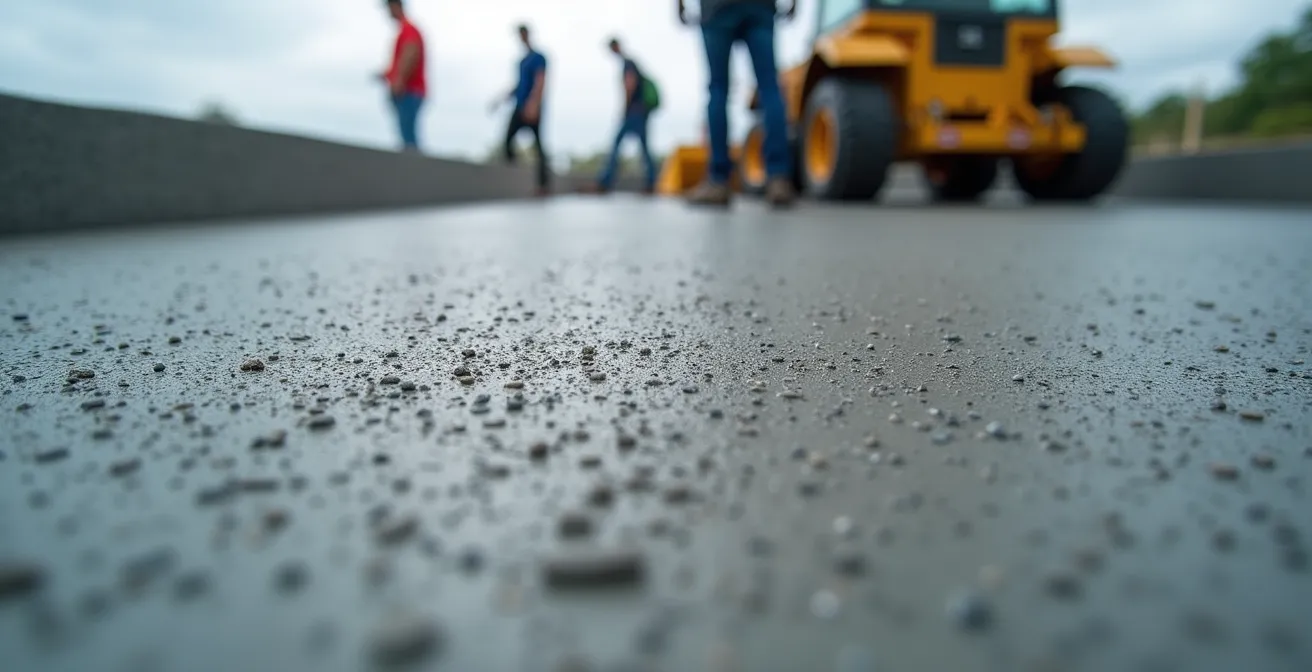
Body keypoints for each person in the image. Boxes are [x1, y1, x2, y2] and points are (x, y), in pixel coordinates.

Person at [679, 0, 796, 208]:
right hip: (760, 7)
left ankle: (718, 180)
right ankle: (778, 178)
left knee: (718, 88)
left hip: (717, 8)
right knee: (770, 87)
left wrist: (679, 5)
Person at [591, 38, 658, 195]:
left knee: (616, 144)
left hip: (634, 112)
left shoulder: (628, 64)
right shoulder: (632, 63)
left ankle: (605, 181)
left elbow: (630, 85)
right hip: (641, 111)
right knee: (644, 147)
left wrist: (624, 109)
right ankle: (650, 182)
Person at [491, 24, 551, 196]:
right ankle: (514, 176)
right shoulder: (521, 62)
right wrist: (499, 100)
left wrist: (534, 104)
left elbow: (540, 81)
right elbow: (519, 85)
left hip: (532, 108)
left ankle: (543, 186)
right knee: (508, 141)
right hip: (518, 107)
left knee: (538, 146)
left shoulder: (539, 57)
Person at [378, 0, 427, 152]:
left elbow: (411, 53)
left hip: (410, 91)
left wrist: (399, 81)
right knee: (406, 136)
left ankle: (413, 171)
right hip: (409, 90)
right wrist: (387, 74)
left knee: (408, 139)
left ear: (396, 6)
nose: (388, 12)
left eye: (389, 8)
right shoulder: (405, 29)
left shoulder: (408, 29)